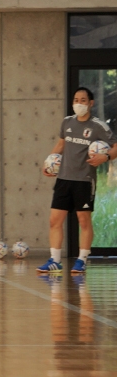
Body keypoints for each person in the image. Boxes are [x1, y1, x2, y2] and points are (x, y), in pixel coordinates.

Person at [38, 87, 117, 274]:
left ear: (91, 103)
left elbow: (115, 146)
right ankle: (55, 260)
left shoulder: (98, 126)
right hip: (64, 179)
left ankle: (82, 260)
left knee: (83, 220)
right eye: (76, 100)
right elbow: (61, 144)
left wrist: (105, 157)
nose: (78, 103)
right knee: (54, 220)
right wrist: (49, 162)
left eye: (83, 100)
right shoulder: (67, 122)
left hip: (84, 180)